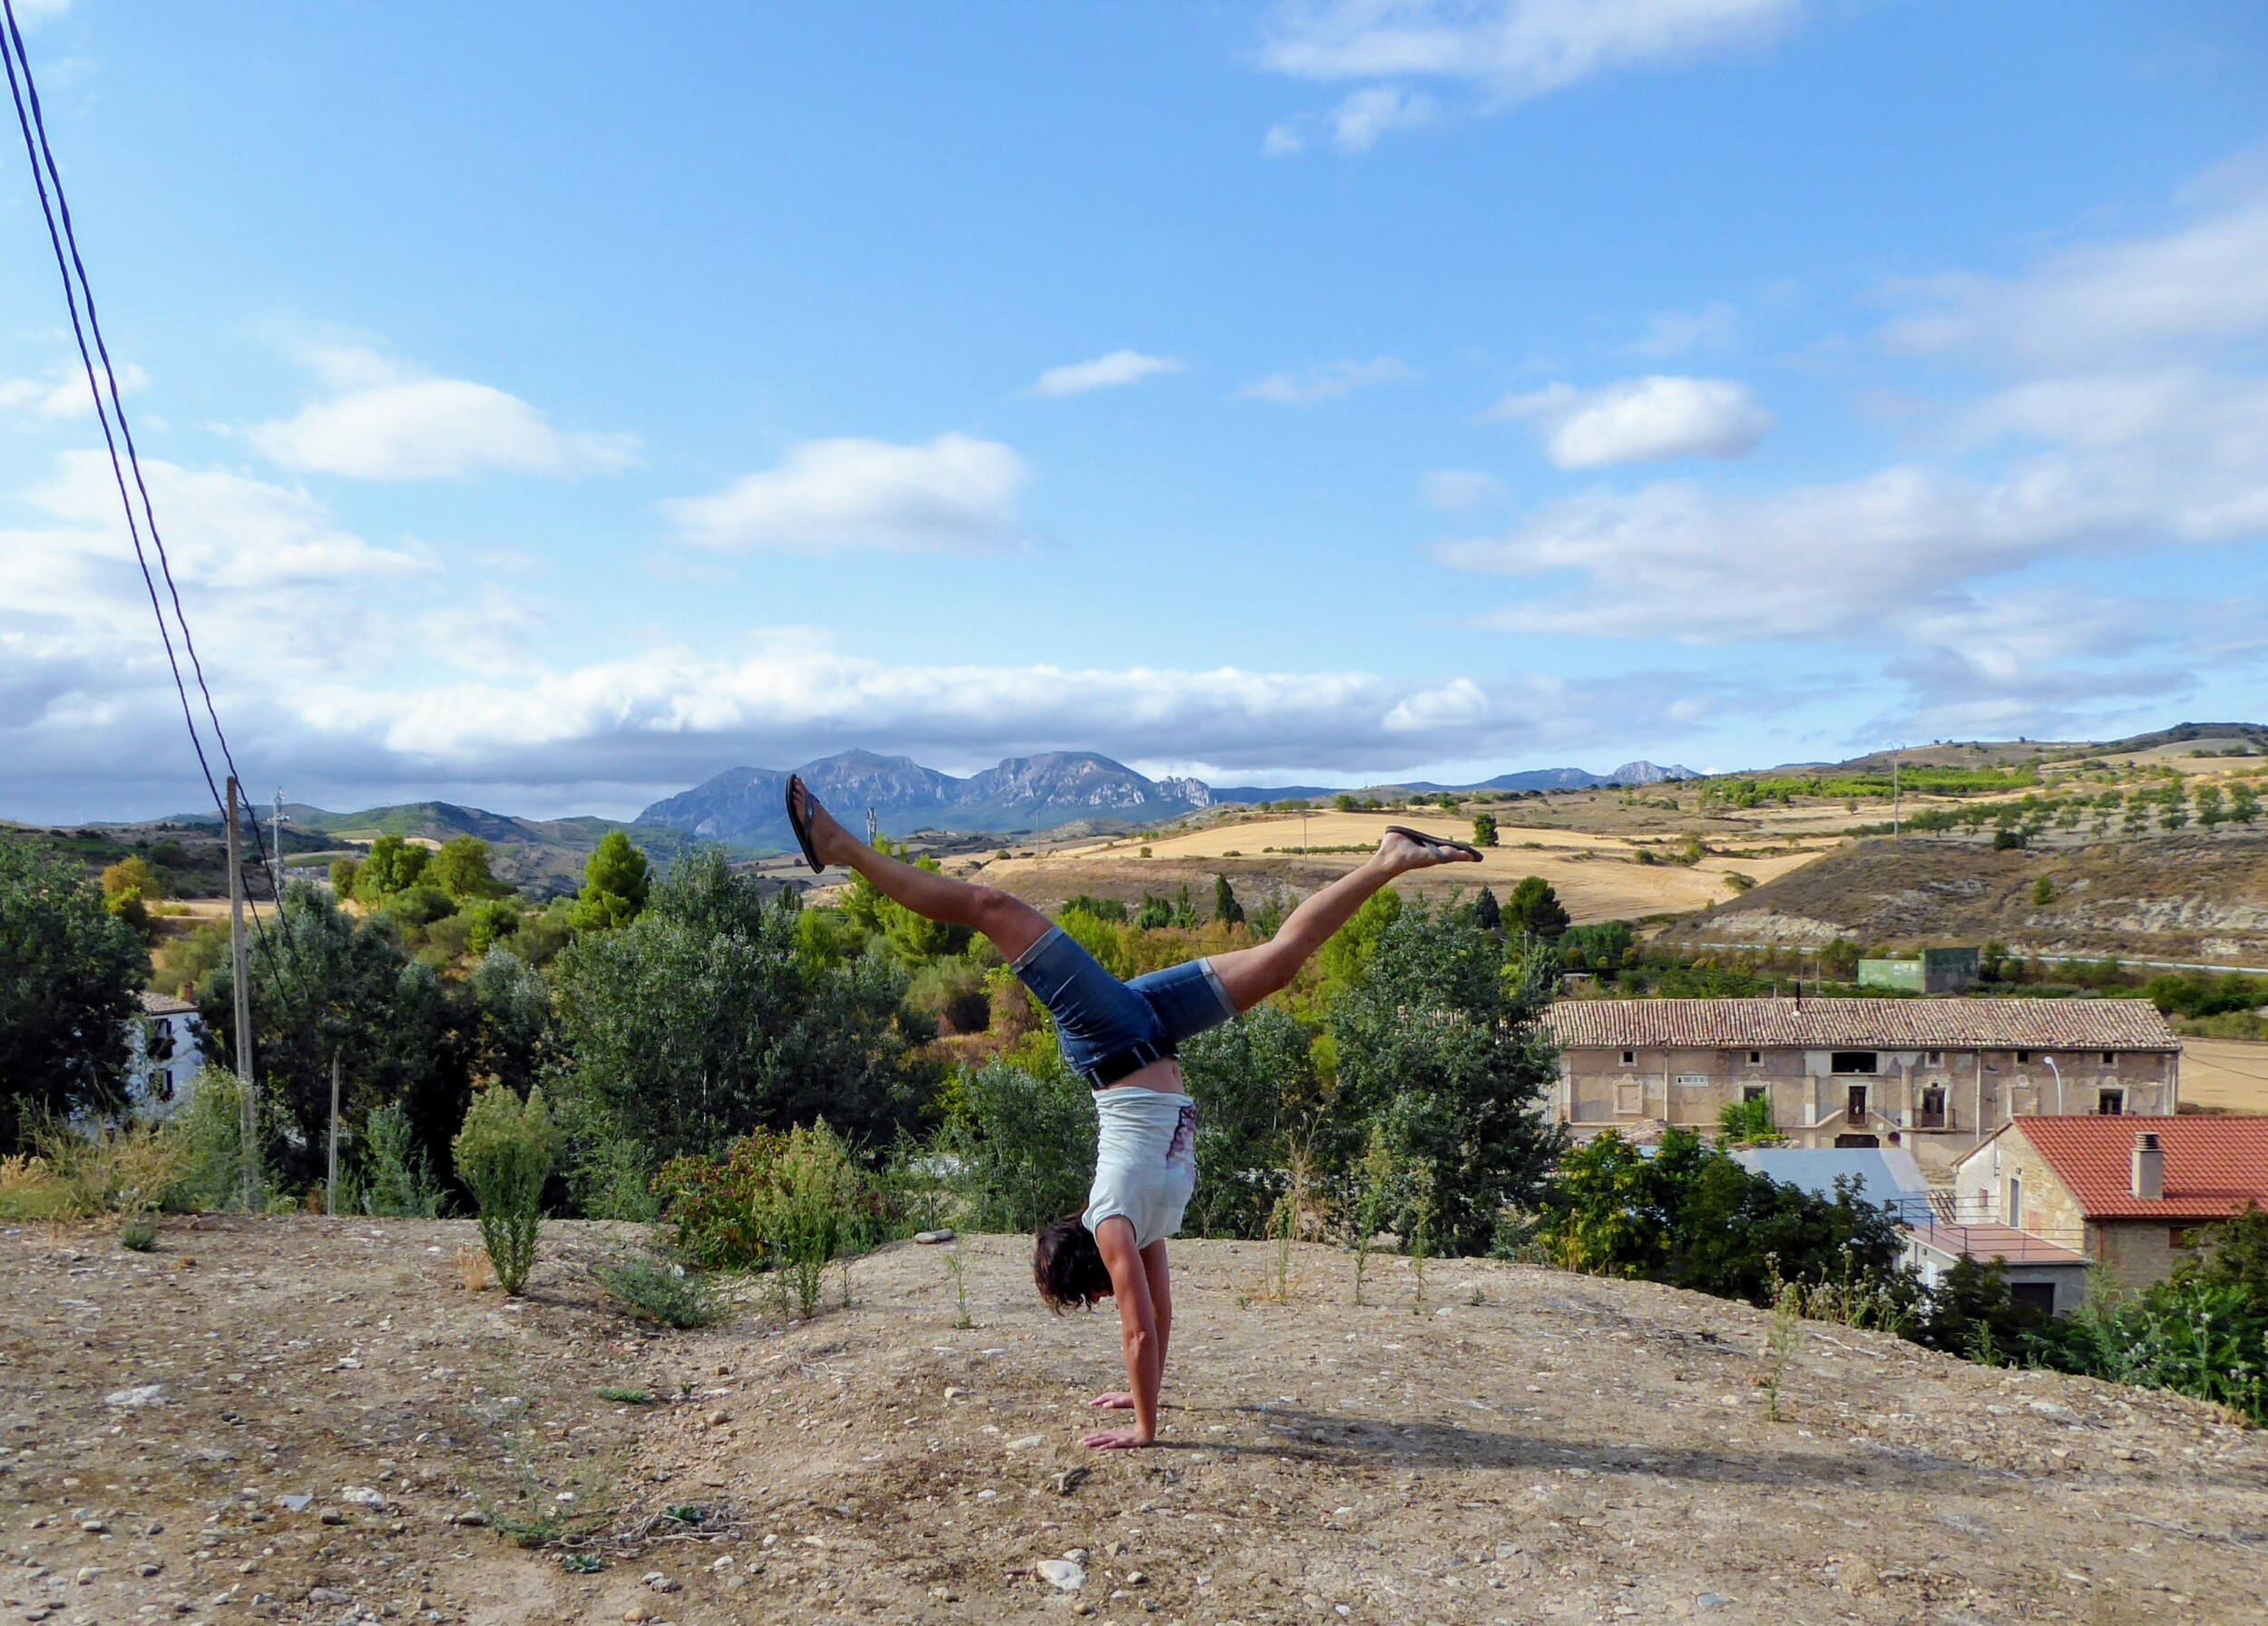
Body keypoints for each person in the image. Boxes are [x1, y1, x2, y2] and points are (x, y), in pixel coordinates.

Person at [785, 776, 1479, 1449]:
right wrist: (1143, 1393)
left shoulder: (1115, 1217)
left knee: (988, 904)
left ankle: (839, 846)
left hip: (1109, 1036)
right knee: (1283, 961)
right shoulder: (1143, 1227)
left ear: (1090, 1271)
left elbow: (1139, 1327)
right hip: (1150, 1029)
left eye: (1091, 1296)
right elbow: (1158, 1321)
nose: (1105, 1302)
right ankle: (1391, 856)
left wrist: (1145, 1431)